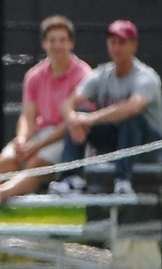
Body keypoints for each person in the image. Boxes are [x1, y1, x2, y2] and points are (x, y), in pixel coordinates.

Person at [0, 15, 90, 214]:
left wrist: (36, 146)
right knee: (6, 160)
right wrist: (22, 140)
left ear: (71, 43)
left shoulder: (83, 74)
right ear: (44, 43)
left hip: (69, 138)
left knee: (36, 164)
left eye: (62, 40)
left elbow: (74, 121)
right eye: (52, 40)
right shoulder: (34, 75)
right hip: (40, 134)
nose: (57, 45)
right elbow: (28, 116)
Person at [49, 19, 162, 197]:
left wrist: (90, 119)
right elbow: (68, 103)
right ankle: (71, 179)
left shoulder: (146, 77)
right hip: (116, 143)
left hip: (147, 146)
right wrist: (74, 121)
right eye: (112, 42)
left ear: (134, 45)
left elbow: (132, 107)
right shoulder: (101, 74)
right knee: (80, 116)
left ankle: (122, 181)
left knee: (131, 118)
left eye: (122, 42)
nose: (116, 47)